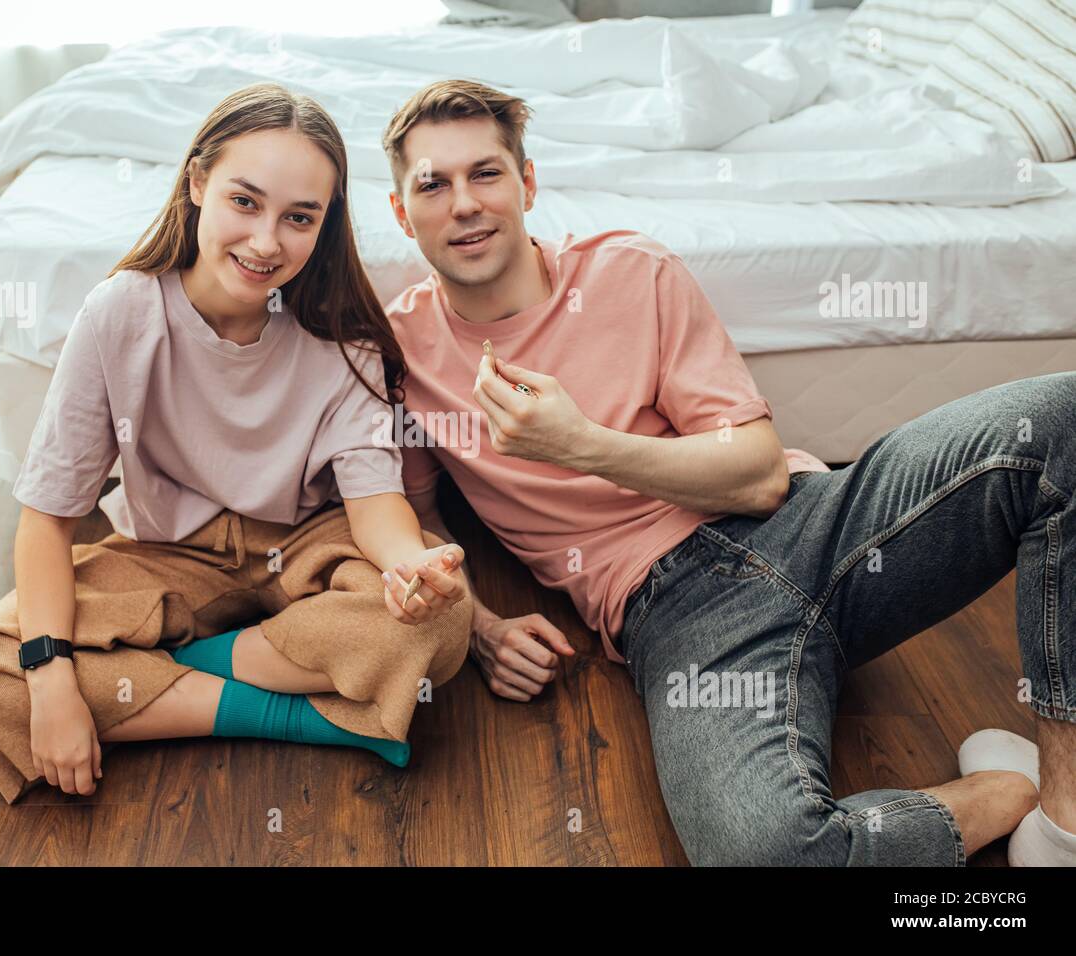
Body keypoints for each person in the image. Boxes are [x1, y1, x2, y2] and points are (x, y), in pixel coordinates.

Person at [378, 78, 1076, 866]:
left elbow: (758, 475)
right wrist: (480, 628)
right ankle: (1000, 795)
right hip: (679, 616)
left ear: (527, 183)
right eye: (433, 184)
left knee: (1061, 420)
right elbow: (416, 516)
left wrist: (582, 445)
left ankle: (1062, 819)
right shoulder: (401, 353)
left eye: (486, 173)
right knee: (766, 856)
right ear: (402, 213)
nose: (464, 203)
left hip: (815, 523)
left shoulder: (632, 272)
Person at [0, 83, 473, 804]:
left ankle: (172, 671)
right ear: (196, 182)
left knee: (445, 620)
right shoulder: (121, 313)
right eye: (244, 202)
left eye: (298, 218)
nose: (265, 242)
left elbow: (377, 512)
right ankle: (296, 711)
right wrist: (52, 675)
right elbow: (49, 519)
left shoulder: (344, 337)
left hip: (310, 541)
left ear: (325, 225)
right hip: (170, 556)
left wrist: (412, 572)